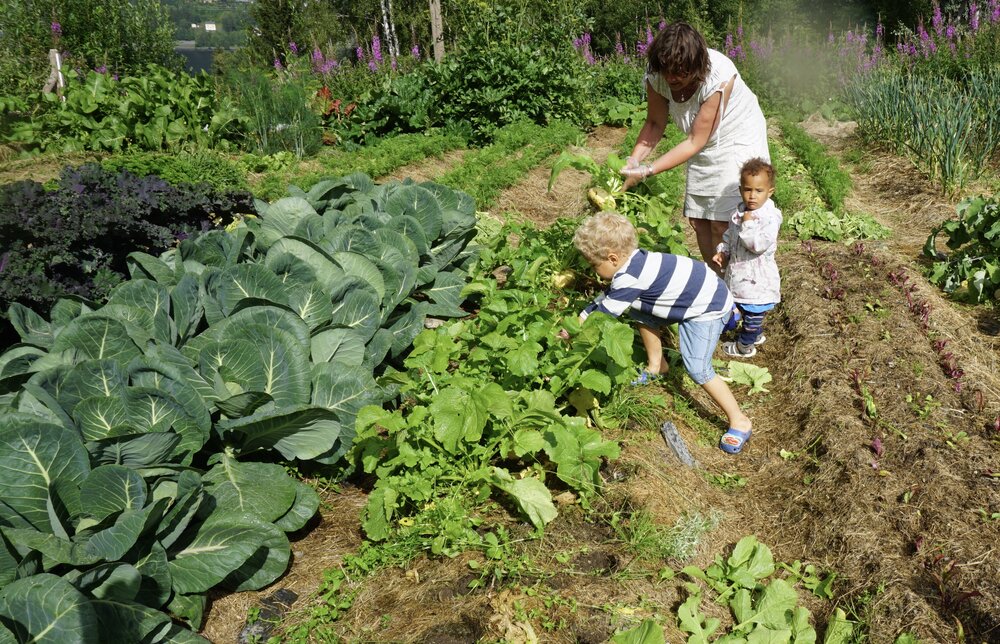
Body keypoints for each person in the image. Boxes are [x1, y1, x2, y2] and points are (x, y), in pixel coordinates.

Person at [568, 211, 753, 454]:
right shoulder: (633, 262)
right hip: (698, 292)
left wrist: (574, 332)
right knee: (639, 310)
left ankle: (739, 419)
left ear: (612, 258)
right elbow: (606, 299)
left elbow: (602, 315)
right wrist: (581, 317)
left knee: (698, 367)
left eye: (594, 265)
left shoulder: (630, 279)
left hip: (706, 307)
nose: (593, 271)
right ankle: (657, 366)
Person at [620, 22, 770, 271]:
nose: (671, 78)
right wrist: (633, 161)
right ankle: (717, 286)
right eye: (666, 71)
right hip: (702, 141)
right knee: (700, 221)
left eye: (679, 72)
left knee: (723, 222)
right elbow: (655, 123)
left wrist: (648, 170)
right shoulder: (657, 73)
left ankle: (739, 289)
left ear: (696, 66)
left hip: (736, 136)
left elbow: (694, 141)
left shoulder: (718, 75)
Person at [711, 158, 781, 359]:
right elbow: (730, 236)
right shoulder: (740, 211)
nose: (752, 196)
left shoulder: (769, 218)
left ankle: (745, 347)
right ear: (741, 189)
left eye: (758, 191)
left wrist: (748, 224)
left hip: (757, 279)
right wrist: (722, 251)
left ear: (770, 192)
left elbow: (757, 245)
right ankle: (755, 334)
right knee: (745, 309)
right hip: (739, 274)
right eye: (747, 190)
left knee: (753, 312)